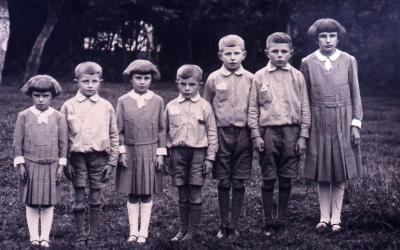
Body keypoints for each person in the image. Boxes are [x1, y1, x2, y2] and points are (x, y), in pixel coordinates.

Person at [300, 18, 363, 233]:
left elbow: (356, 93)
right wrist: (305, 127)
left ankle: (336, 218)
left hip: (343, 120)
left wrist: (355, 124)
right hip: (318, 121)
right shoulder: (307, 62)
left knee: (340, 170)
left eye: (332, 36)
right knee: (323, 170)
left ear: (338, 37)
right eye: (323, 37)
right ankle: (323, 217)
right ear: (316, 39)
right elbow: (304, 97)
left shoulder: (348, 60)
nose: (328, 41)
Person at [248, 32, 311, 236]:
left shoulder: (297, 76)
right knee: (268, 178)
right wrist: (256, 135)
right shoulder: (259, 76)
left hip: (292, 132)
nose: (280, 55)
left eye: (284, 51)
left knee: (286, 179)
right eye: (275, 51)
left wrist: (303, 136)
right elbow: (253, 109)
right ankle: (268, 220)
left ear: (291, 53)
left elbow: (305, 109)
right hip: (268, 132)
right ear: (267, 52)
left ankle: (281, 219)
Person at [61, 62, 119, 247]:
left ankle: (92, 234)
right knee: (79, 197)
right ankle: (80, 234)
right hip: (76, 158)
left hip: (99, 157)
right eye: (85, 81)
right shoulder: (68, 106)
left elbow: (114, 134)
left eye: (94, 81)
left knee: (96, 197)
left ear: (100, 82)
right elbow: (62, 137)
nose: (90, 85)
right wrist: (65, 162)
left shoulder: (106, 106)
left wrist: (112, 162)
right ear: (76, 81)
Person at [203, 34, 254, 238]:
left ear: (244, 55)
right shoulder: (213, 78)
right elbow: (206, 108)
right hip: (221, 133)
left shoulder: (252, 78)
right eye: (228, 54)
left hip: (244, 134)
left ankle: (234, 225)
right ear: (220, 55)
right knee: (223, 181)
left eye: (236, 53)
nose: (232, 58)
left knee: (239, 181)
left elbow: (256, 107)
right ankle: (223, 224)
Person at [115, 59, 166, 244]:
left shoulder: (158, 101)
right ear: (131, 79)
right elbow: (117, 130)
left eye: (146, 78)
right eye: (138, 77)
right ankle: (133, 231)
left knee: (146, 192)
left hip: (150, 150)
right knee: (132, 191)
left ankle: (143, 231)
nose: (142, 81)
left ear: (152, 79)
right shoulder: (123, 101)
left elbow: (162, 129)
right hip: (129, 151)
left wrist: (161, 153)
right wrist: (121, 152)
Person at [13, 75, 67, 248]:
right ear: (31, 95)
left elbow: (63, 143)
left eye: (46, 96)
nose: (41, 100)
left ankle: (45, 236)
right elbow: (17, 142)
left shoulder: (58, 117)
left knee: (47, 202)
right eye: (37, 95)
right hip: (30, 165)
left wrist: (61, 165)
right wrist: (20, 164)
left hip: (51, 165)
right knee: (32, 201)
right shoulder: (24, 116)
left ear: (52, 96)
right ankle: (33, 236)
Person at [166, 65, 218, 242]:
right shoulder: (171, 106)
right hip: (177, 153)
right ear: (177, 84)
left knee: (195, 190)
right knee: (182, 191)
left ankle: (192, 231)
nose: (187, 88)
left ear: (200, 85)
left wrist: (210, 158)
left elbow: (212, 133)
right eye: (183, 84)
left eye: (192, 84)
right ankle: (182, 229)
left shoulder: (205, 107)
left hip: (198, 154)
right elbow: (164, 131)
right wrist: (166, 155)